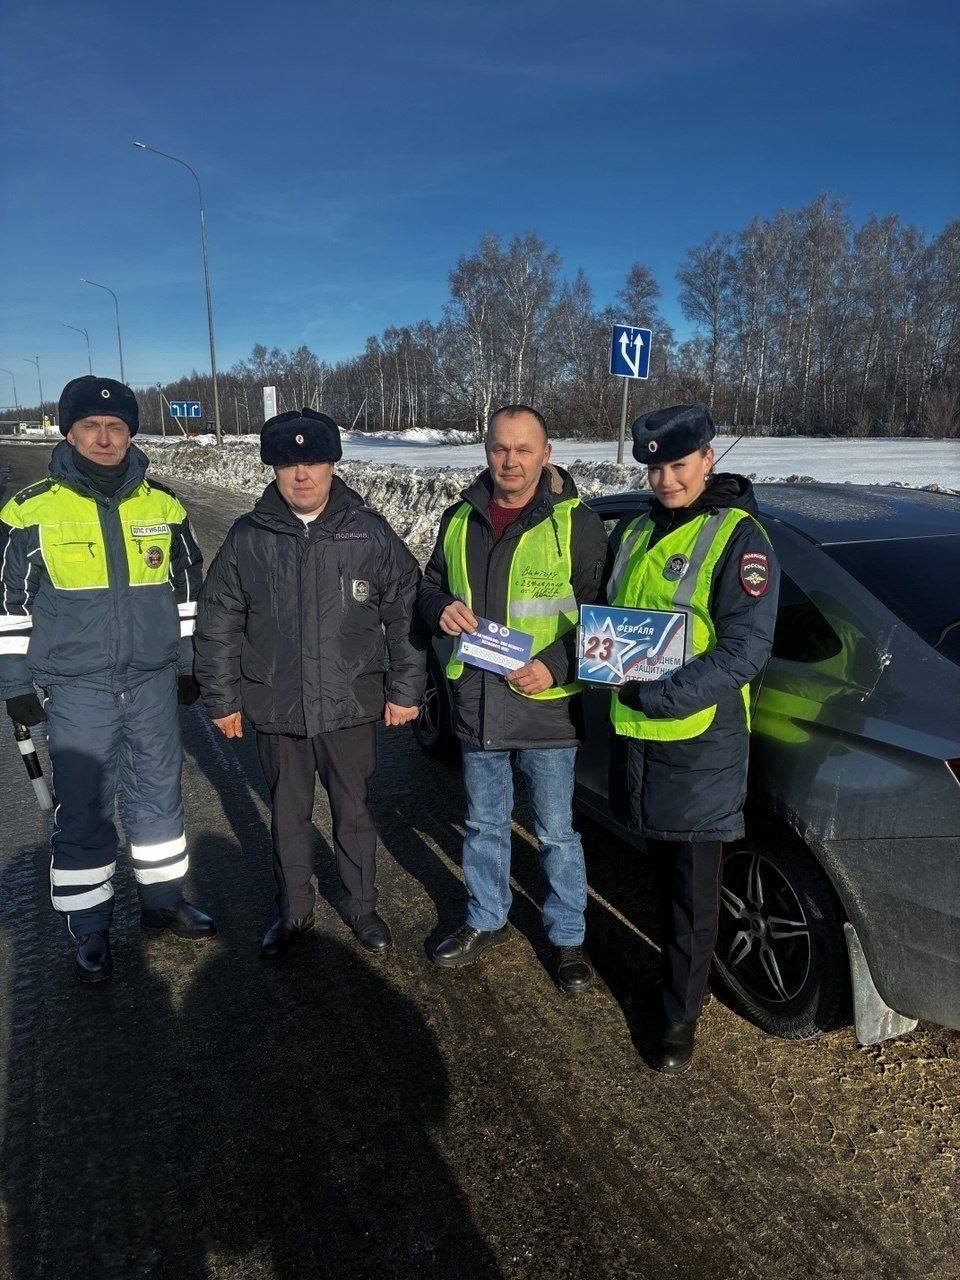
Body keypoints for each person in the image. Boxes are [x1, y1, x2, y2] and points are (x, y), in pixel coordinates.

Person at [0, 376, 215, 984]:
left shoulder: (164, 507)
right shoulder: (30, 510)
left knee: (158, 794)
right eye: (90, 427)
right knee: (84, 807)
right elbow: (9, 608)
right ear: (68, 433)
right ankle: (90, 928)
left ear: (131, 434)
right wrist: (14, 683)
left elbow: (187, 595)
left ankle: (162, 901)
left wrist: (187, 663)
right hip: (76, 687)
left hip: (149, 681)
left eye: (116, 426)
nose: (104, 437)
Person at [194, 408, 425, 959]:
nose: (302, 475)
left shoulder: (367, 532)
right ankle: (294, 912)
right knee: (289, 815)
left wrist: (405, 689)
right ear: (272, 468)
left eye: (314, 461)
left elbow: (405, 610)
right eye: (288, 463)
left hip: (350, 706)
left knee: (354, 812)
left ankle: (362, 906)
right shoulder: (249, 537)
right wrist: (222, 698)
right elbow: (217, 621)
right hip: (278, 708)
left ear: (332, 465)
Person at [605, 403, 780, 1073]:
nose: (667, 480)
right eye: (655, 469)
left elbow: (744, 649)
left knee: (692, 892)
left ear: (708, 458)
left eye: (679, 465)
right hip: (642, 740)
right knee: (660, 874)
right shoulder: (638, 533)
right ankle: (669, 983)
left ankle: (679, 1019)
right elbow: (614, 623)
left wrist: (656, 694)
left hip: (699, 741)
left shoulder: (741, 537)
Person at [418, 404, 608, 993]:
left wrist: (554, 667)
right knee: (483, 824)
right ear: (486, 450)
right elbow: (428, 588)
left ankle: (568, 938)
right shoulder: (459, 519)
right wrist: (437, 608)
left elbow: (605, 618)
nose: (511, 460)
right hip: (477, 703)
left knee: (554, 831)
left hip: (547, 708)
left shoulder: (575, 525)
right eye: (501, 447)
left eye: (524, 449)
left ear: (546, 454)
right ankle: (486, 917)